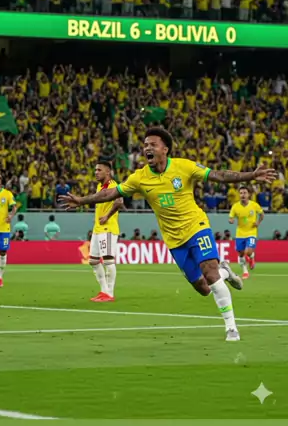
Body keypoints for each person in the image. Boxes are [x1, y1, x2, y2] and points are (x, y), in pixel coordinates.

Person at [60, 126, 276, 342]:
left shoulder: (184, 166)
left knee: (210, 273)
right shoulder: (139, 178)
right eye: (145, 145)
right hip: (174, 240)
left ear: (165, 149)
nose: (147, 148)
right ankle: (225, 273)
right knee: (203, 288)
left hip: (197, 226)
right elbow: (111, 193)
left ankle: (231, 328)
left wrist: (251, 175)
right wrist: (81, 200)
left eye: (153, 144)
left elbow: (218, 175)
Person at [88, 160, 123, 302]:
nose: (96, 172)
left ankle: (109, 293)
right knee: (93, 261)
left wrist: (107, 216)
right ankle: (103, 291)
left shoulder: (114, 186)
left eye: (99, 170)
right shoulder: (99, 186)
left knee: (108, 260)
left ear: (108, 172)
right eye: (95, 170)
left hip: (108, 228)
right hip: (97, 229)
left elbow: (119, 202)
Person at [229, 186, 264, 279]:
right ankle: (245, 272)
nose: (242, 195)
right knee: (241, 254)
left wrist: (258, 222)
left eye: (245, 193)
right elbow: (231, 217)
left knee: (248, 252)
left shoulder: (254, 205)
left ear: (249, 195)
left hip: (251, 232)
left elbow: (262, 214)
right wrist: (231, 220)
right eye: (241, 193)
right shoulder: (235, 206)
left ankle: (251, 257)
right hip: (240, 233)